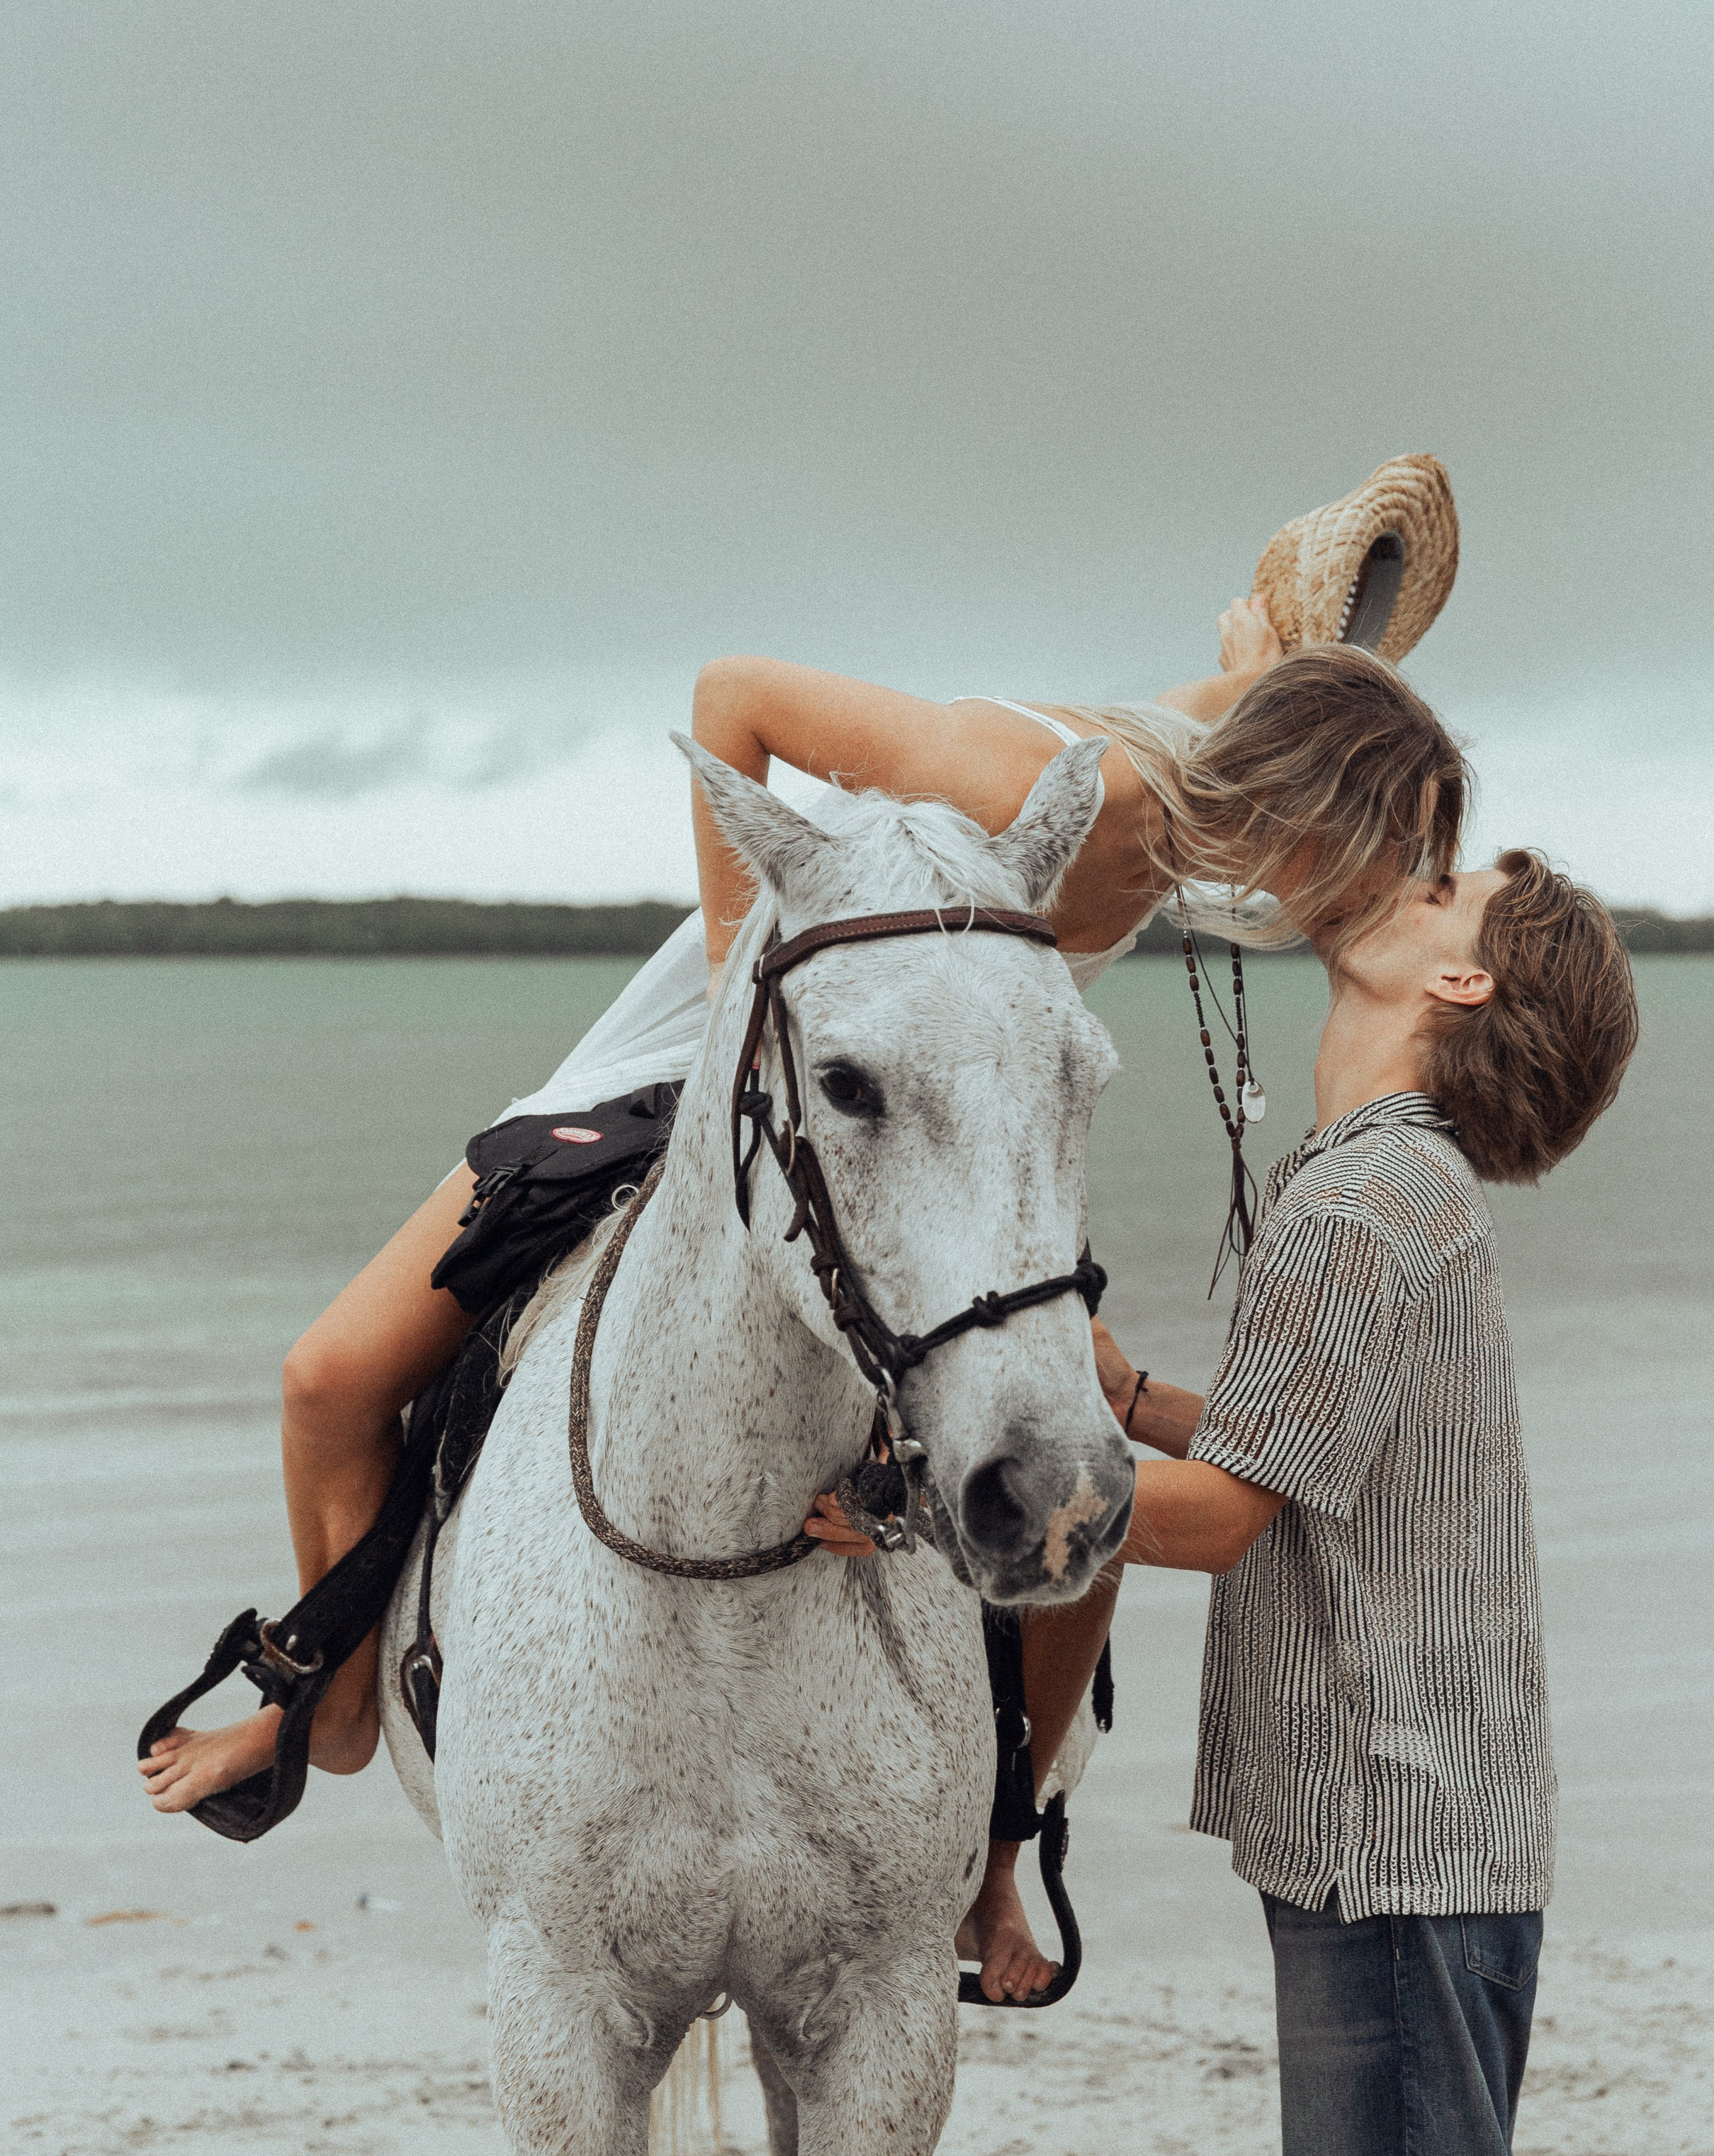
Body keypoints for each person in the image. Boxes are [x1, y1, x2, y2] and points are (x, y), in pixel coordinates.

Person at [137, 602, 1468, 1980]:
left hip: (912, 1136)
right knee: (329, 1377)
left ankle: (995, 1854)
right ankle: (333, 1702)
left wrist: (1291, 633)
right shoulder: (1013, 777)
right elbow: (734, 696)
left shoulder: (1196, 797)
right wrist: (737, 998)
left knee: (1072, 1470)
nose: (1376, 898)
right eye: (1383, 861)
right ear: (1305, 806)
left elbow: (1265, 692)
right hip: (727, 1054)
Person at [828, 847, 1636, 2156]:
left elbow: (1220, 1519)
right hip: (1436, 1813)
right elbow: (1324, 1448)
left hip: (1384, 1822)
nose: (1403, 866)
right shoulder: (1392, 1182)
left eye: (1444, 879)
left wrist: (914, 1512)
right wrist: (1133, 1399)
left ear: (1459, 981)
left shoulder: (1357, 1206)